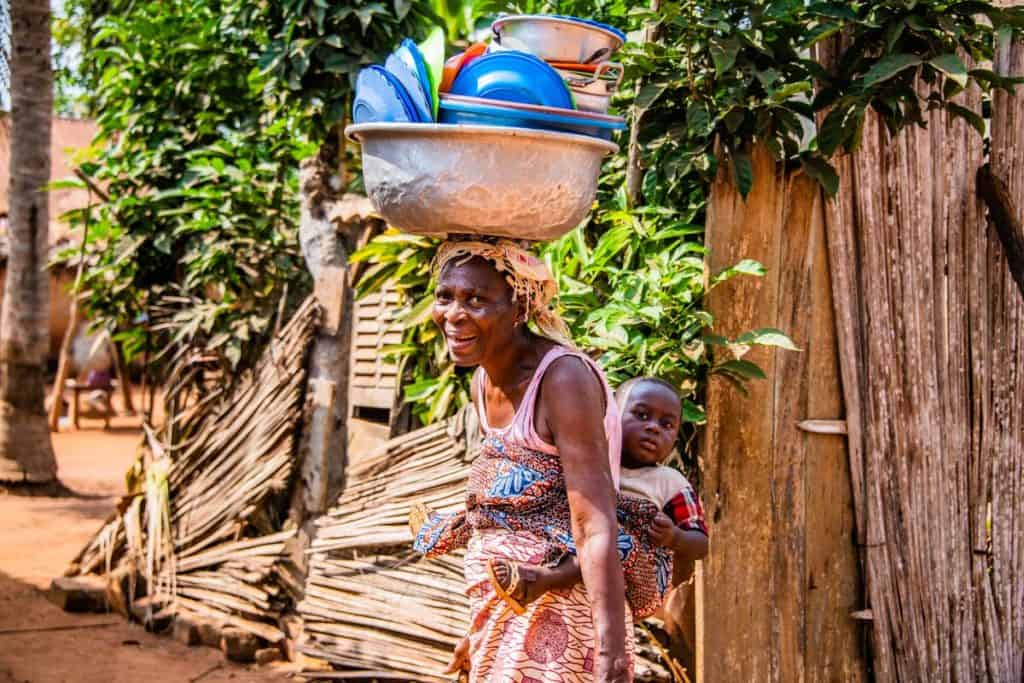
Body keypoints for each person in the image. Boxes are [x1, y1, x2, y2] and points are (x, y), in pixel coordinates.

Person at [412, 238, 632, 682]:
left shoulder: (562, 379)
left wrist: (613, 651)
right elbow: (500, 515)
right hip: (506, 610)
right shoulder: (483, 379)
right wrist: (479, 629)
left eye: (476, 299)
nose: (454, 315)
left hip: (561, 612)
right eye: (445, 297)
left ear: (519, 306)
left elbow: (593, 523)